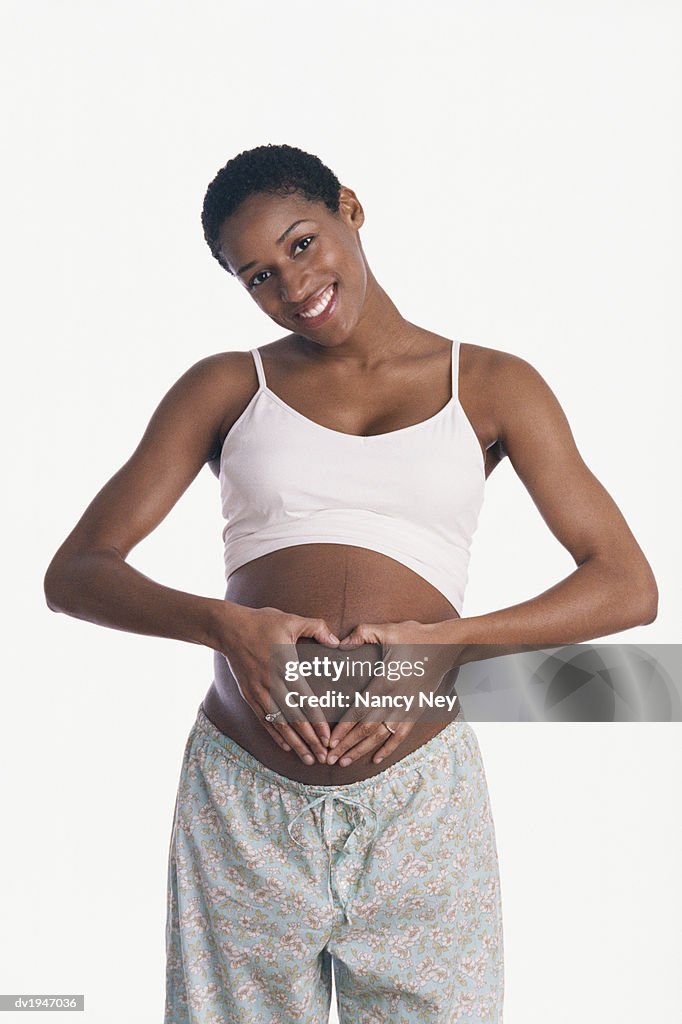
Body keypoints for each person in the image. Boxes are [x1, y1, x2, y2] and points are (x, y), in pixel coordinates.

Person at [44, 143, 658, 1024]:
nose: (292, 288)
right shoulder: (227, 386)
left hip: (421, 805)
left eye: (301, 245)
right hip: (244, 807)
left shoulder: (489, 384)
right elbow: (76, 572)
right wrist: (227, 625)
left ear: (349, 209)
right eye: (257, 275)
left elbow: (627, 585)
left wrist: (441, 647)